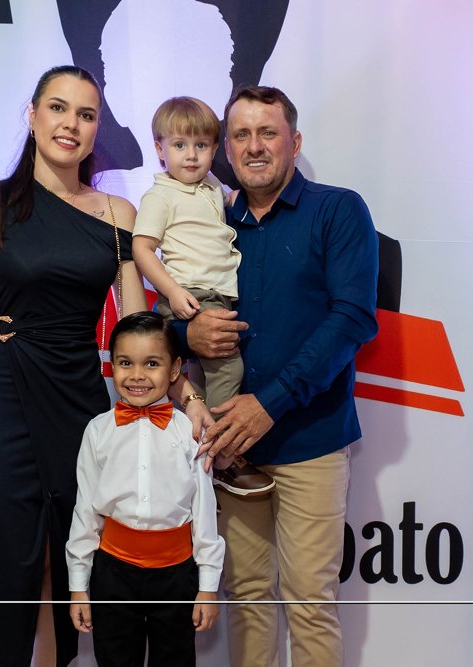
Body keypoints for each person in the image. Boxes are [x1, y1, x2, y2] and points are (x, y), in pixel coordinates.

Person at [0, 65, 210, 667]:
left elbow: (140, 332)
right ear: (32, 116)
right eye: (58, 108)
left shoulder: (118, 214)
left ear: (95, 131)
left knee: (70, 551)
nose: (71, 124)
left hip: (78, 395)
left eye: (86, 115)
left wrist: (187, 396)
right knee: (5, 553)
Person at [186, 86, 379, 666]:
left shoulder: (338, 210)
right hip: (229, 447)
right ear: (226, 149)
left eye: (267, 133)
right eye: (241, 135)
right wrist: (185, 335)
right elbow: (176, 312)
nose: (254, 146)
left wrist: (268, 403)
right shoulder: (210, 219)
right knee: (246, 599)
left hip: (311, 441)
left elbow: (352, 318)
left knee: (310, 603)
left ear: (294, 142)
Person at [132, 96, 274, 497]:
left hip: (217, 295)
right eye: (179, 145)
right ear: (159, 149)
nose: (191, 156)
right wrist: (173, 292)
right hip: (191, 295)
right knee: (228, 368)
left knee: (211, 377)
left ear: (215, 149)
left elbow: (230, 200)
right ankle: (221, 453)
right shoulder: (161, 195)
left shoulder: (211, 185)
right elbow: (143, 248)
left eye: (201, 145)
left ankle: (196, 453)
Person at [66, 311, 224, 666]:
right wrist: (78, 585)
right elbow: (85, 511)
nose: (137, 375)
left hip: (178, 575)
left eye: (151, 363)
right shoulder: (97, 431)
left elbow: (204, 513)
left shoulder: (191, 432)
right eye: (125, 363)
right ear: (112, 365)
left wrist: (207, 586)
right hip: (113, 574)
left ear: (174, 369)